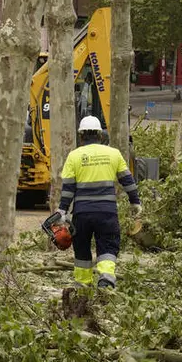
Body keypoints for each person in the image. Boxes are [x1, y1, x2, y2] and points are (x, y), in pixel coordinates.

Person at [56, 116, 141, 289]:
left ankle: (82, 284)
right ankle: (107, 277)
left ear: (81, 136)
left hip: (82, 214)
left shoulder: (74, 156)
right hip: (107, 213)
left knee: (81, 248)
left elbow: (68, 189)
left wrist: (62, 211)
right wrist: (135, 202)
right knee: (108, 244)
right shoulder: (113, 154)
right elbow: (128, 181)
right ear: (101, 135)